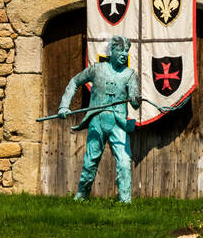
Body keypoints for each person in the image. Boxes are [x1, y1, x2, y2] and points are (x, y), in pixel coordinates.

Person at [57, 36, 141, 203]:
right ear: (111, 52)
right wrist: (64, 106)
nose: (124, 54)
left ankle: (125, 200)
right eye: (120, 50)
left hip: (118, 124)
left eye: (126, 51)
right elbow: (74, 82)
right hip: (97, 121)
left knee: (124, 162)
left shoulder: (130, 75)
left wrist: (135, 100)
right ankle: (82, 196)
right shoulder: (97, 69)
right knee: (90, 161)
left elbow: (135, 99)